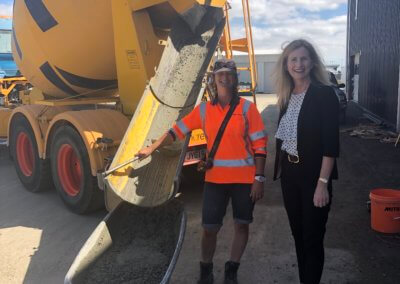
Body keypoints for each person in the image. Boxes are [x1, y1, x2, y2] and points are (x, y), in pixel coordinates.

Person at [136, 59, 267, 284]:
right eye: (220, 75)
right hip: (215, 180)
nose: (225, 78)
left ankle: (231, 270)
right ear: (214, 80)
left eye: (229, 74)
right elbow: (176, 131)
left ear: (235, 79)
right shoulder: (204, 110)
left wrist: (259, 178)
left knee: (242, 225)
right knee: (209, 229)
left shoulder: (248, 109)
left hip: (245, 180)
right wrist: (152, 147)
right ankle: (206, 270)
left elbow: (260, 146)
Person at [273, 39, 339, 284]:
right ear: (286, 65)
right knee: (299, 236)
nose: (298, 64)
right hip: (290, 175)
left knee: (312, 239)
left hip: (314, 176)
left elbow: (330, 144)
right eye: (293, 59)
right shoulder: (286, 96)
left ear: (312, 62)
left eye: (303, 59)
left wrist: (322, 183)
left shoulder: (324, 94)